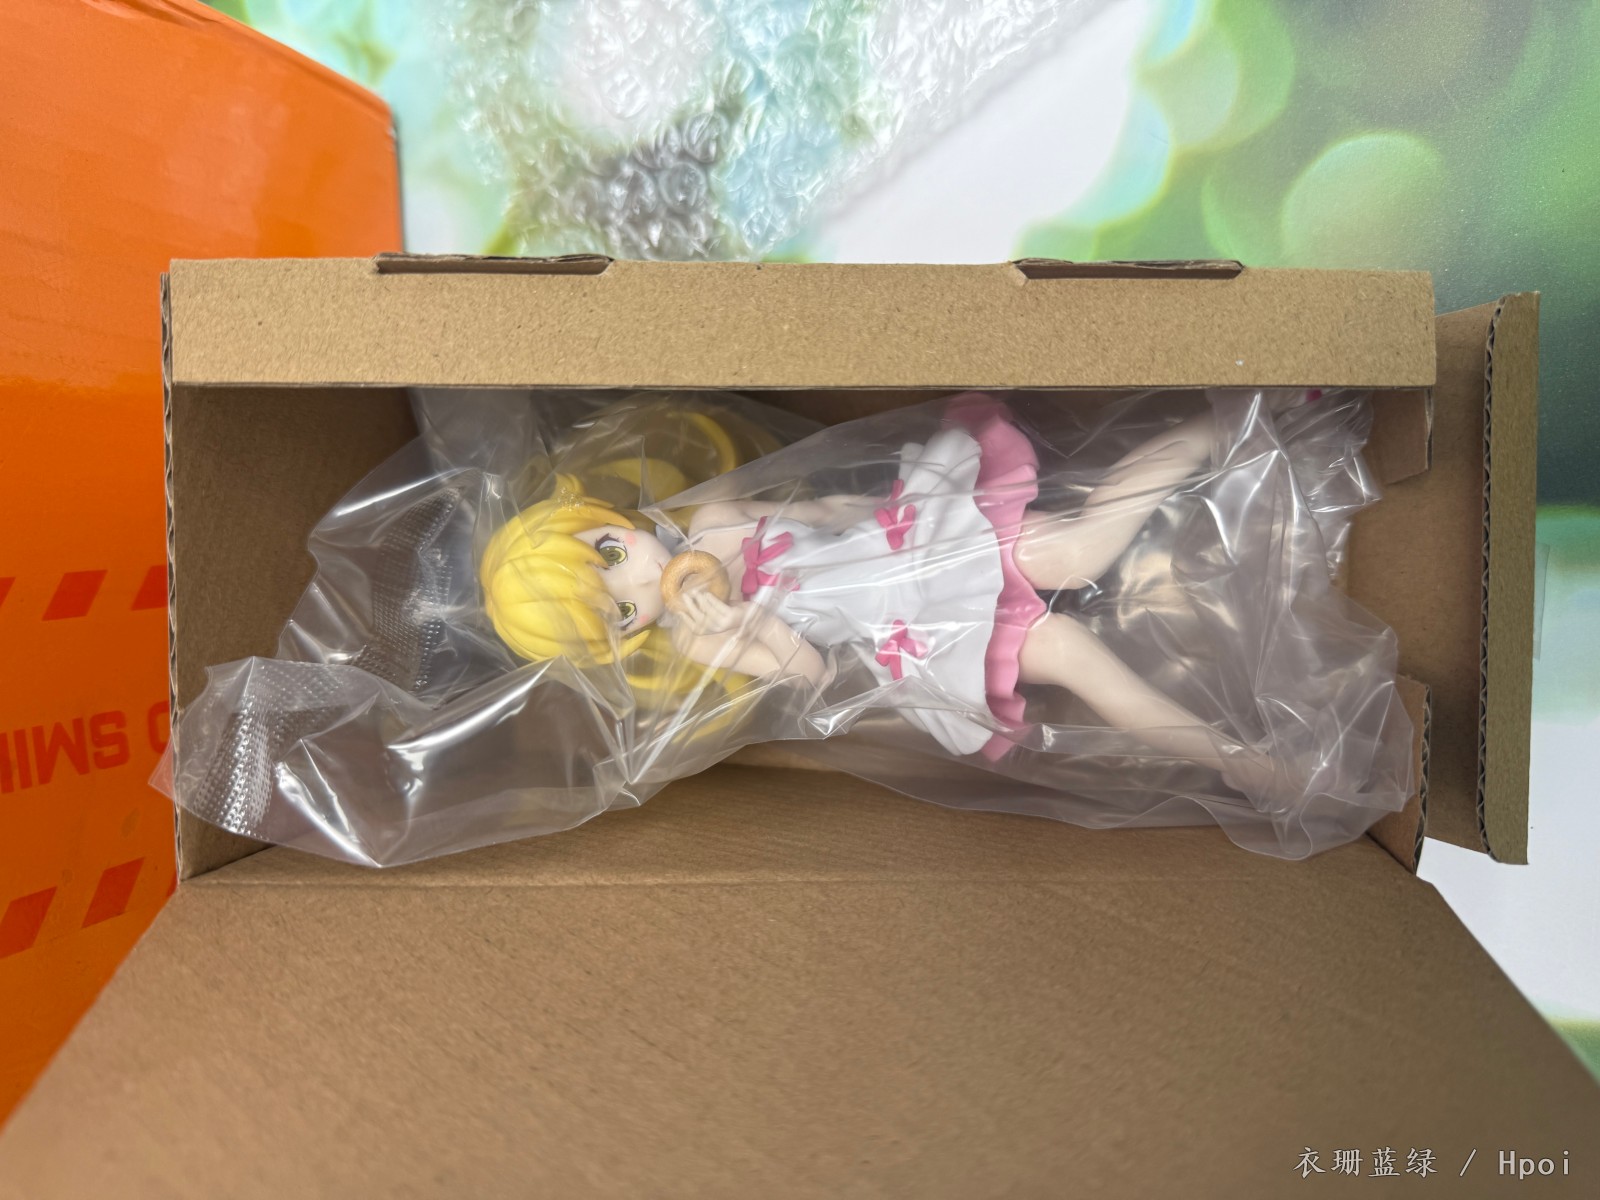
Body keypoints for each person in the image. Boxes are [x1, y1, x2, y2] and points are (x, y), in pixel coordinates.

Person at [481, 392, 1274, 792]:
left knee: (1074, 549)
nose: (639, 574)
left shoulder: (716, 518)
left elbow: (824, 508)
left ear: (607, 518)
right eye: (622, 609)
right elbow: (813, 676)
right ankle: (1242, 765)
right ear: (626, 638)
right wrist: (744, 623)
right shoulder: (698, 635)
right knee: (1069, 652)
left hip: (916, 540)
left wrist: (892, 506)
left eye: (610, 552)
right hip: (913, 626)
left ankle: (1218, 428)